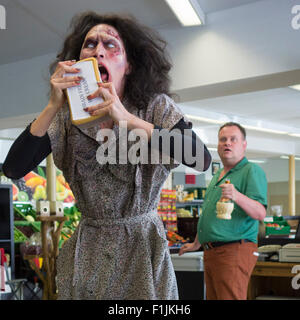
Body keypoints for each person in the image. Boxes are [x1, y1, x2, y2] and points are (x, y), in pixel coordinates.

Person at [3, 11, 211, 299]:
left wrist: (126, 118)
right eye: (89, 44)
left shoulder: (155, 108)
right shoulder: (66, 118)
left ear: (128, 65)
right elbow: (13, 167)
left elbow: (200, 159)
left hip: (142, 247)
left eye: (110, 45)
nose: (98, 51)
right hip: (90, 249)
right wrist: (52, 105)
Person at [179, 122, 267, 300]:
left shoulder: (251, 170)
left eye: (233, 139)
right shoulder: (218, 176)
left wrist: (236, 195)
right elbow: (209, 215)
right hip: (212, 251)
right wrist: (197, 243)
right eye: (223, 139)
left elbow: (260, 213)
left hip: (234, 249)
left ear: (244, 145)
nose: (227, 143)